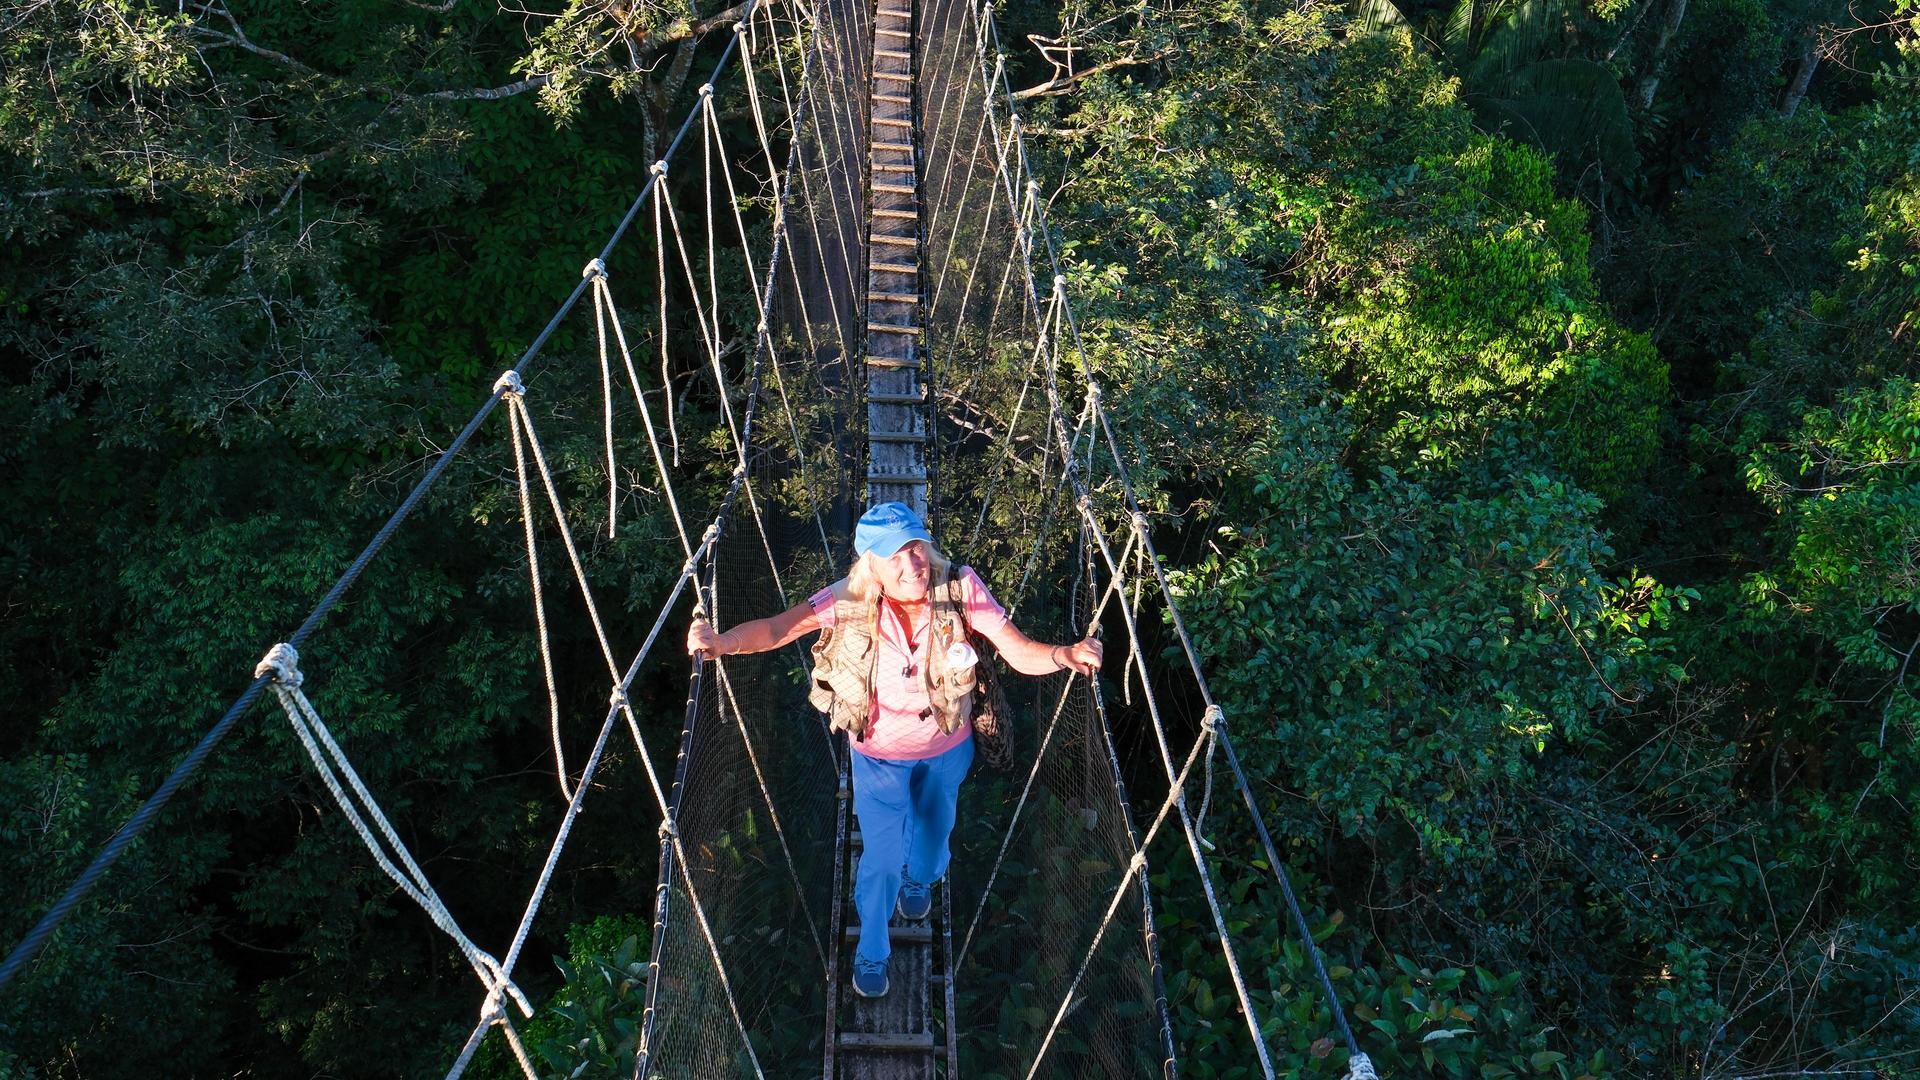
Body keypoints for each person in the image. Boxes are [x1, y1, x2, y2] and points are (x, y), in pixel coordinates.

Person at [685, 501, 1102, 998]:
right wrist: (721, 643)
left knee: (932, 841)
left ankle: (920, 881)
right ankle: (872, 950)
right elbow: (778, 629)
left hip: (948, 749)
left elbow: (1015, 648)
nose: (912, 563)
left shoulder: (960, 589)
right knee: (880, 861)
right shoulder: (847, 602)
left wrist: (1064, 655)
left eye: (916, 546)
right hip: (878, 759)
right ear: (871, 565)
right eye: (894, 555)